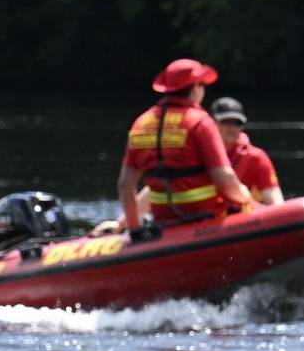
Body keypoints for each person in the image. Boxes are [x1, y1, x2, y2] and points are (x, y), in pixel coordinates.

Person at [97, 58, 249, 234]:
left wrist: (133, 228)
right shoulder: (201, 122)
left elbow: (125, 184)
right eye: (201, 85)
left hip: (164, 221)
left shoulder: (141, 123)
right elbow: (224, 179)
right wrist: (244, 197)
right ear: (195, 88)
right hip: (206, 220)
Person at [210, 97, 284, 209]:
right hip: (207, 220)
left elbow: (276, 202)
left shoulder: (256, 157)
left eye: (237, 123)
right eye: (226, 122)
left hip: (245, 219)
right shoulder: (201, 154)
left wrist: (249, 202)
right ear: (211, 123)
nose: (232, 128)